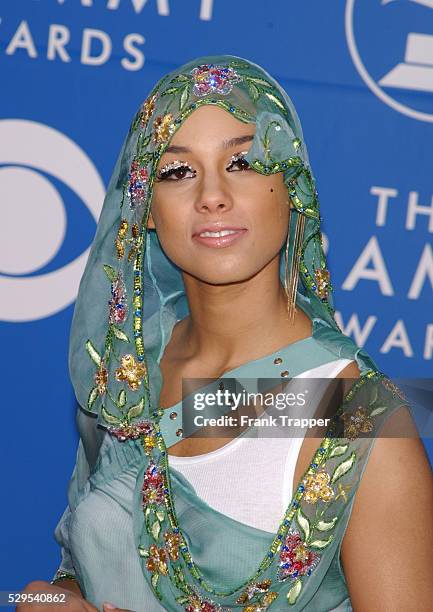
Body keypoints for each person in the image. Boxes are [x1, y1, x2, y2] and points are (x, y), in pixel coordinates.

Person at [20, 56, 433, 612]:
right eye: (177, 171)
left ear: (291, 186)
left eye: (243, 161)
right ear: (142, 204)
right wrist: (43, 600)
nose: (212, 195)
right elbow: (78, 573)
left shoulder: (357, 418)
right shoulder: (127, 371)